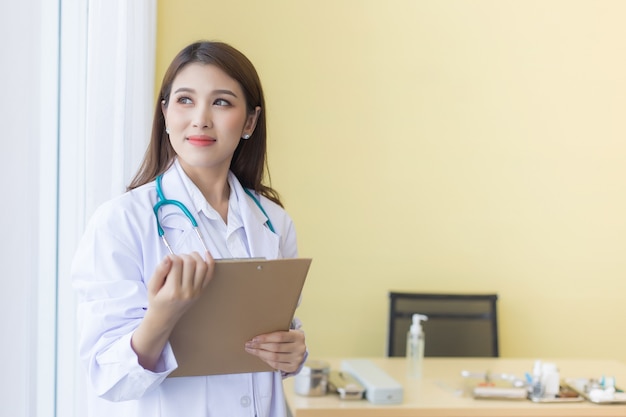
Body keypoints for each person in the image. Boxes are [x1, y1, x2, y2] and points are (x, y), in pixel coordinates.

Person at [72, 40, 307, 417]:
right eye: (184, 100)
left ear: (249, 122)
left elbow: (278, 334)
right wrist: (162, 316)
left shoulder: (274, 222)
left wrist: (292, 351)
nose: (200, 118)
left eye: (222, 102)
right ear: (165, 114)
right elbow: (108, 379)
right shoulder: (121, 222)